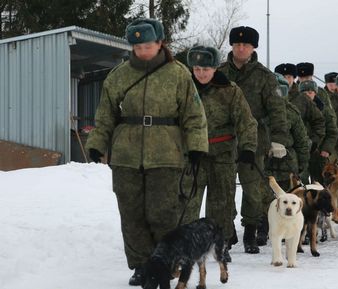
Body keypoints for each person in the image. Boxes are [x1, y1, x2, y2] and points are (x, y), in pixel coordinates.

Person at [85, 18, 209, 286]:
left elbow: (194, 115)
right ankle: (141, 265)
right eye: (137, 46)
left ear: (160, 43)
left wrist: (197, 146)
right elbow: (105, 113)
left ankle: (165, 262)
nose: (142, 51)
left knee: (162, 213)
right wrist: (97, 142)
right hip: (126, 156)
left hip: (167, 154)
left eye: (147, 46)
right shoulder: (118, 76)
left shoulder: (179, 74)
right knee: (131, 213)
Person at [182, 45, 258, 262]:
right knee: (188, 202)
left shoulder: (230, 90)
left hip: (222, 156)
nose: (202, 73)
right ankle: (187, 244)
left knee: (221, 204)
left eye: (206, 68)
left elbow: (246, 122)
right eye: (197, 68)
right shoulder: (184, 89)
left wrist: (248, 148)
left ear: (215, 68)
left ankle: (221, 244)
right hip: (192, 156)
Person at [219, 26, 289, 254]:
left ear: (253, 48)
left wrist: (278, 140)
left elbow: (278, 109)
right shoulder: (219, 73)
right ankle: (226, 233)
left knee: (253, 189)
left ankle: (250, 231)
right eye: (237, 44)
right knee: (224, 187)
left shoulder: (264, 76)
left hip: (256, 139)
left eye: (246, 45)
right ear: (231, 46)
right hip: (223, 139)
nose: (241, 48)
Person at [257, 73, 310, 246]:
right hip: (265, 159)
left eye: (282, 90)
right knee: (262, 195)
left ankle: (290, 231)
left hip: (287, 161)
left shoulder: (292, 113)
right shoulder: (260, 112)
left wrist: (302, 164)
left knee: (288, 197)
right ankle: (260, 230)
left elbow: (301, 140)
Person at [299, 80, 338, 184]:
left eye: (310, 92)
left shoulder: (325, 111)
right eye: (304, 93)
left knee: (320, 182)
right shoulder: (295, 109)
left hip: (319, 152)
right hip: (301, 151)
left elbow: (332, 132)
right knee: (301, 180)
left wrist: (326, 149)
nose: (307, 95)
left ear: (315, 93)